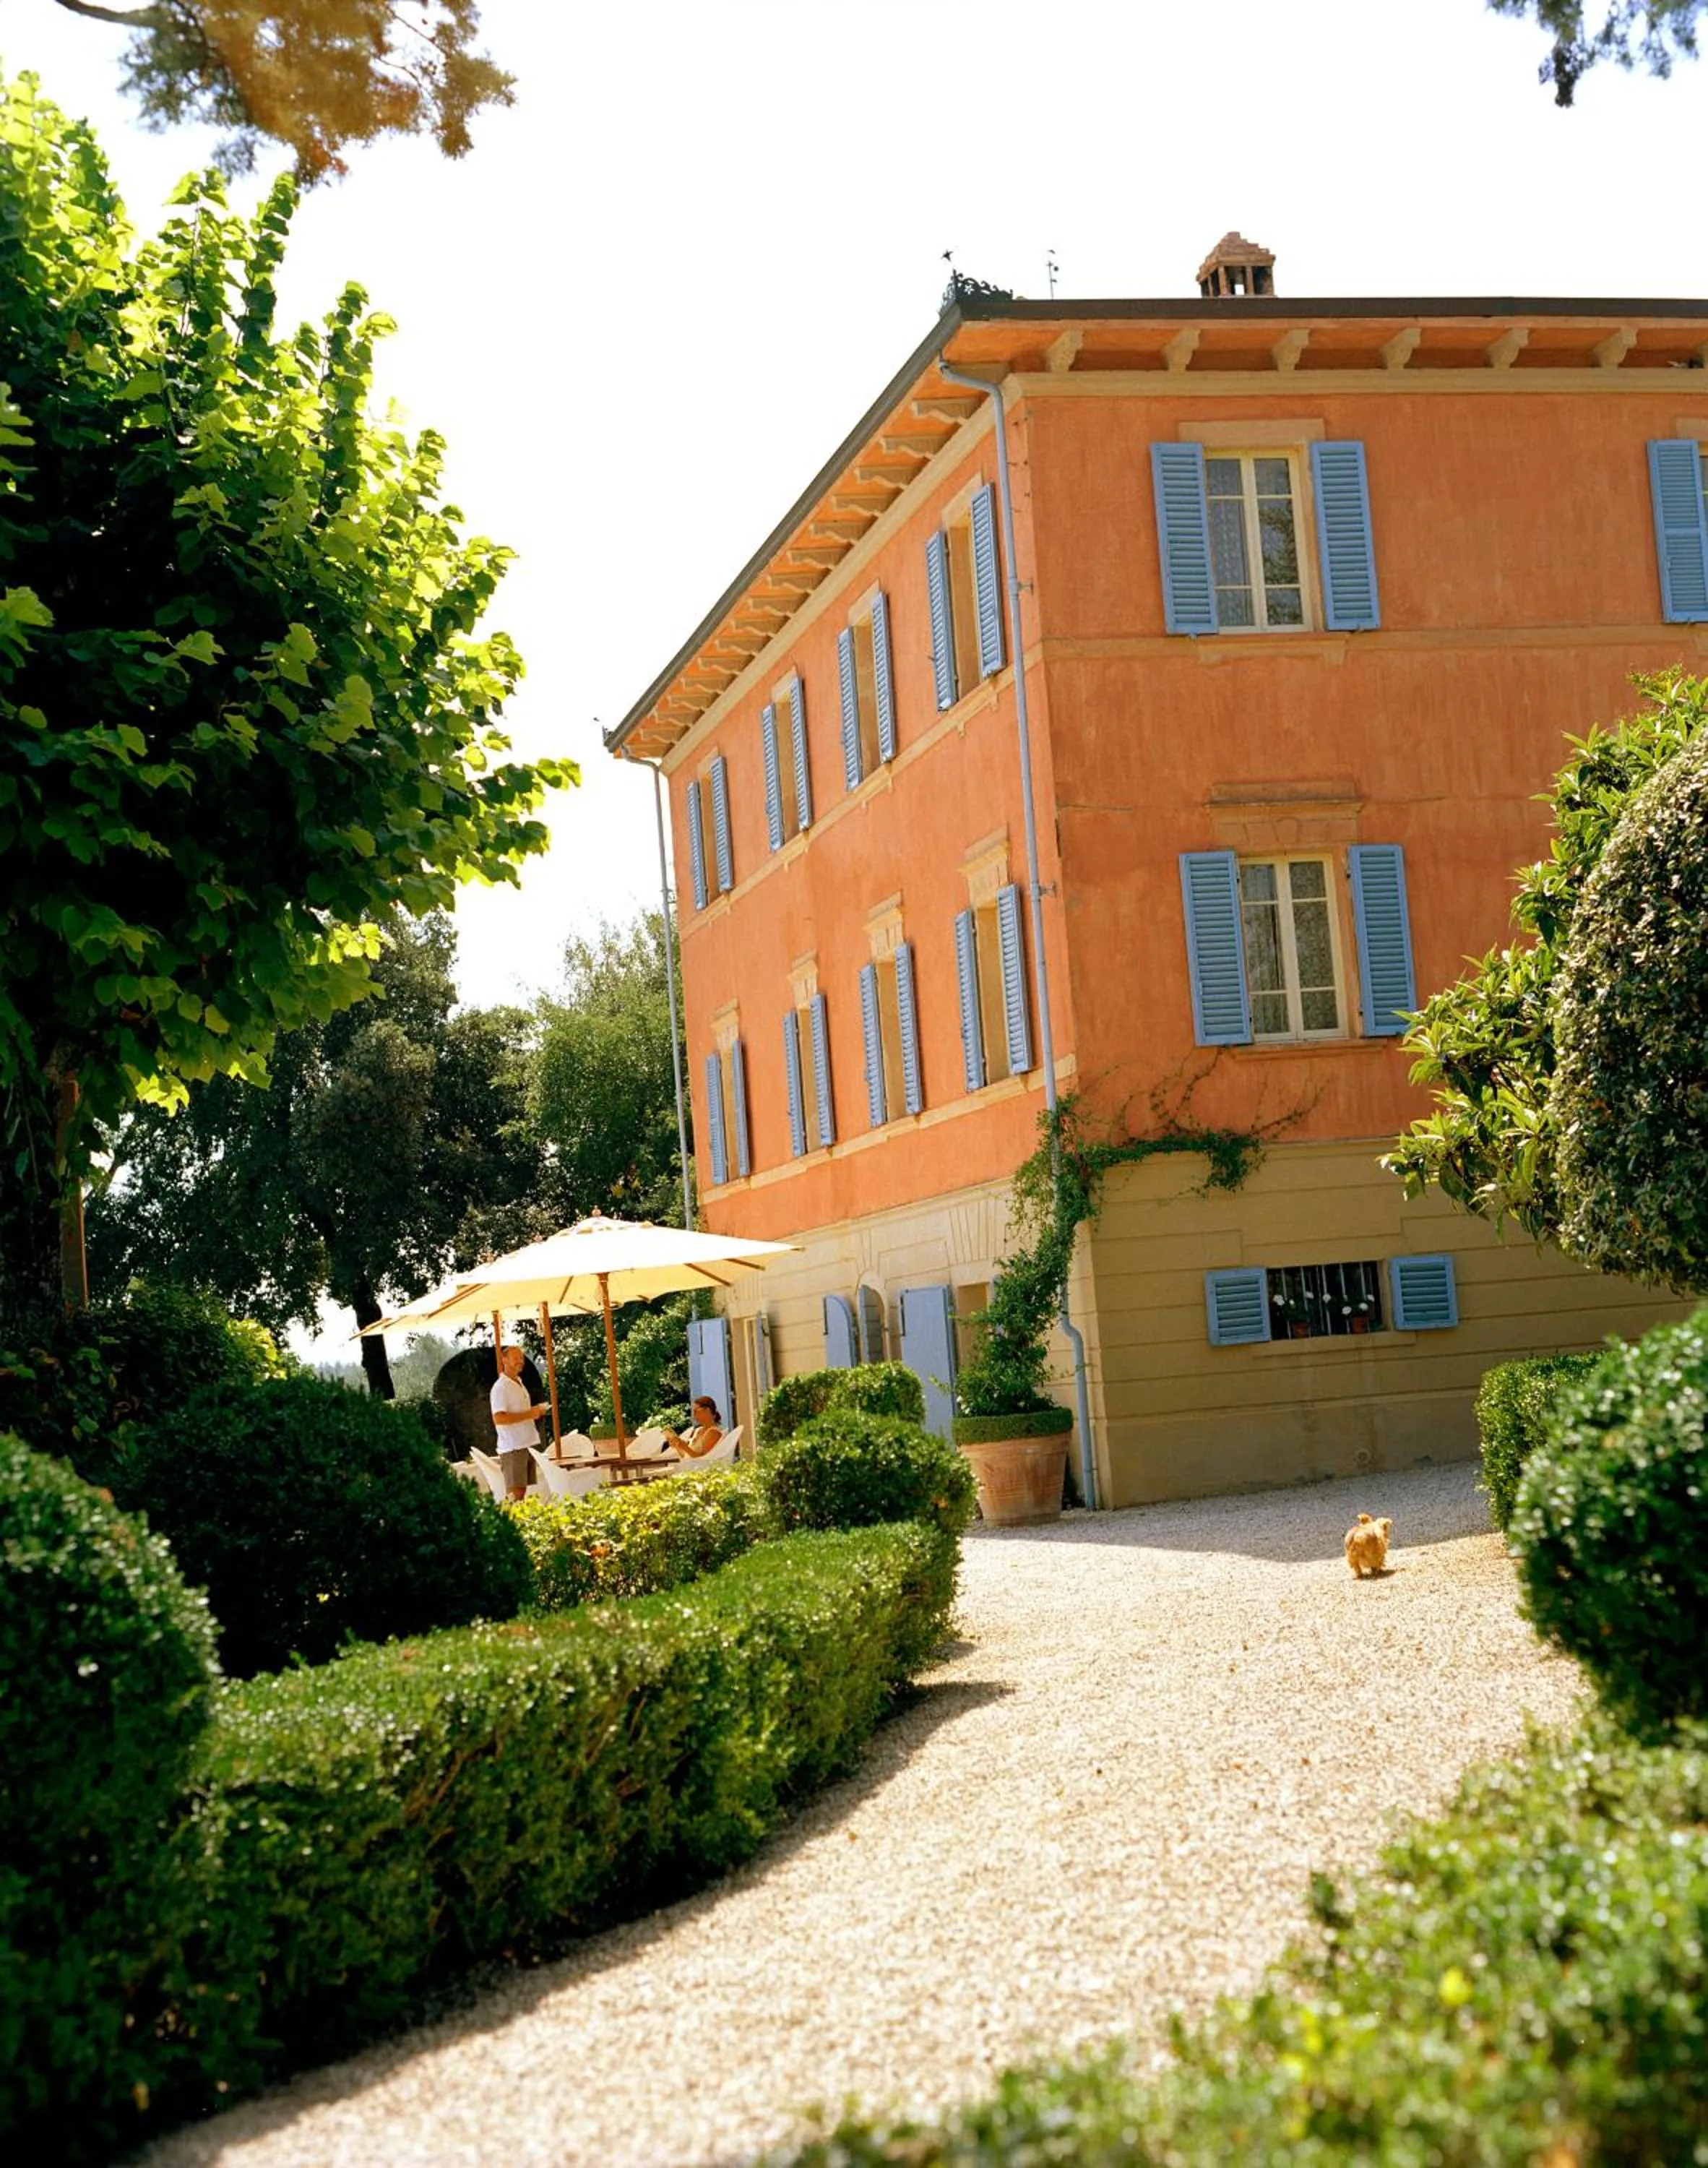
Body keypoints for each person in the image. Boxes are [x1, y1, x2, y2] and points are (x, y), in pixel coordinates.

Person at [489, 1343, 548, 1501]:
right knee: (515, 1495)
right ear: (504, 1360)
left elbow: (519, 1412)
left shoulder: (518, 1383)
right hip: (513, 1447)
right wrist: (529, 1414)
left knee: (521, 1494)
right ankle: (509, 1523)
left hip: (525, 1444)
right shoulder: (501, 1387)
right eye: (516, 1358)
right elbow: (498, 1418)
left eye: (521, 1358)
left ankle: (518, 1523)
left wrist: (535, 1411)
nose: (520, 1361)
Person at [662, 1395, 723, 1460]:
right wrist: (678, 1446)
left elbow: (704, 1460)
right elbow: (687, 1456)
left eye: (696, 1411)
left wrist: (685, 1446)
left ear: (707, 1411)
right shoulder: (698, 1430)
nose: (694, 1416)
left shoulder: (714, 1433)